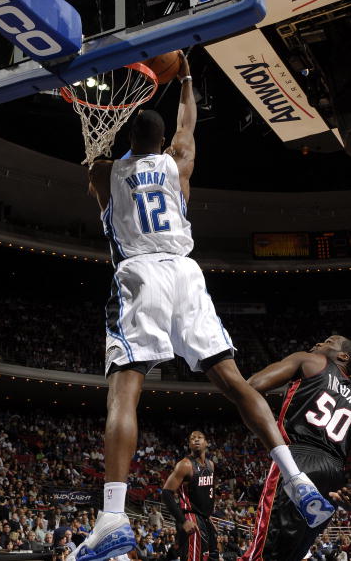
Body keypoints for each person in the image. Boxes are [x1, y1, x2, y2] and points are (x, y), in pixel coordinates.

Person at [68, 52, 334, 561]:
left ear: (129, 139)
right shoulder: (179, 162)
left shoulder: (105, 174)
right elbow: (188, 121)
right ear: (162, 141)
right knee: (234, 383)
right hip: (187, 273)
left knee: (124, 394)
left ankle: (113, 518)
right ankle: (300, 484)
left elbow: (94, 169)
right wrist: (185, 73)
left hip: (141, 273)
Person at [241, 335, 351, 561]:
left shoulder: (310, 360)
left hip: (298, 460)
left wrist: (269, 429)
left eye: (329, 341)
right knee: (291, 555)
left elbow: (252, 386)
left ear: (343, 356)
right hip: (334, 475)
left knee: (264, 554)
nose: (320, 343)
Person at [162, 431, 218, 561]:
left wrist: (208, 516)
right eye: (193, 439)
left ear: (206, 443)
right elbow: (166, 493)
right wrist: (183, 521)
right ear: (189, 444)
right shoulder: (185, 465)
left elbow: (208, 493)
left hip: (205, 519)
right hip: (191, 518)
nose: (196, 440)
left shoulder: (211, 465)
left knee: (213, 556)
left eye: (200, 438)